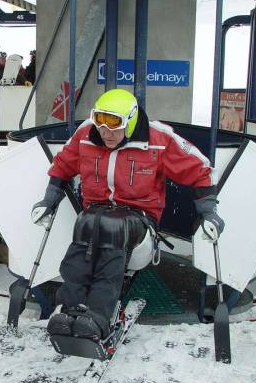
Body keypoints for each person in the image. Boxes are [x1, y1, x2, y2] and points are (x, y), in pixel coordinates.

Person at [31, 89, 225, 340]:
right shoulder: (86, 135)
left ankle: (99, 315)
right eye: (100, 126)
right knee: (86, 223)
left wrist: (209, 212)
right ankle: (68, 309)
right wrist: (49, 200)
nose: (106, 134)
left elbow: (201, 170)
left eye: (115, 127)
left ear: (131, 120)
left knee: (112, 227)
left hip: (140, 217)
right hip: (96, 214)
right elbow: (62, 166)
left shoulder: (158, 139)